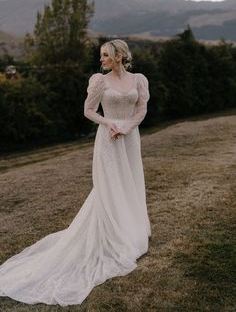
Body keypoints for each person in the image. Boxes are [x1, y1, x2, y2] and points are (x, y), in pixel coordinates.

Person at [0, 39, 150, 306]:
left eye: (105, 55)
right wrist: (111, 124)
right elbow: (88, 111)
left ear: (118, 57)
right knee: (110, 186)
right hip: (109, 139)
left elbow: (141, 109)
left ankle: (132, 229)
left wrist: (126, 127)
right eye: (101, 55)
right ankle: (114, 235)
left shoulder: (139, 79)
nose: (101, 59)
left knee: (130, 182)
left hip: (129, 137)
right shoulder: (99, 81)